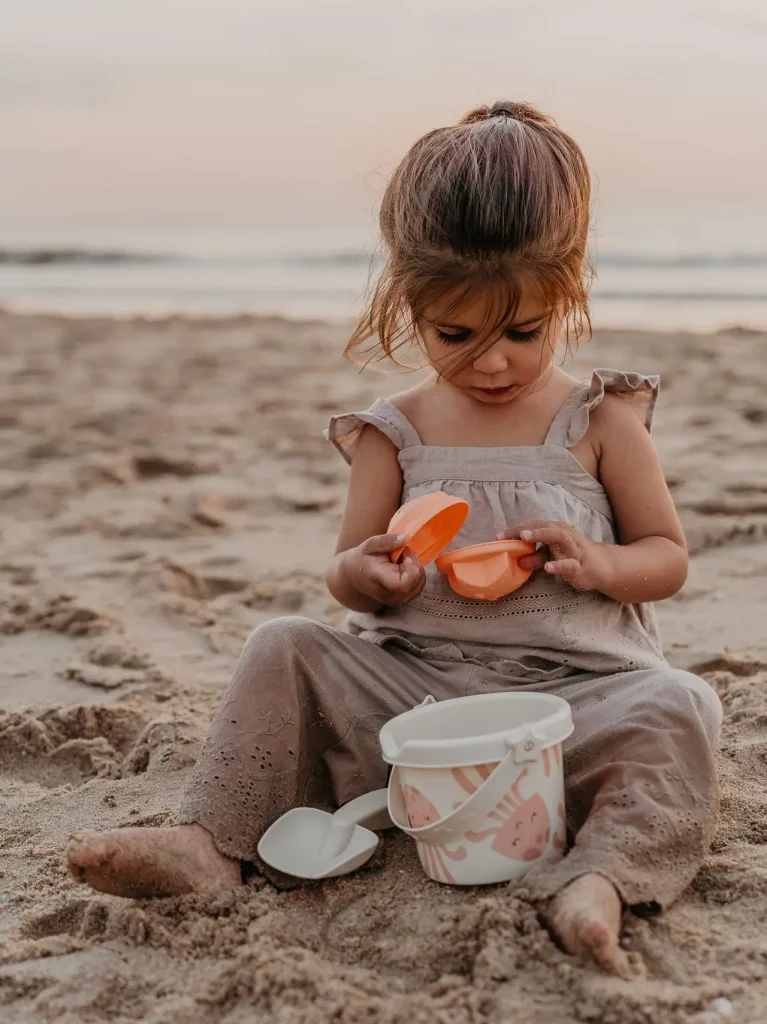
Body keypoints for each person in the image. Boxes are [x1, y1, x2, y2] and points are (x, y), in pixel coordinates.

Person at [66, 101, 722, 977]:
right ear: (405, 301)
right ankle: (211, 841)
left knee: (681, 704)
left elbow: (664, 559)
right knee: (283, 644)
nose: (492, 363)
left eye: (521, 333)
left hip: (576, 703)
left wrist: (599, 562)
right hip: (416, 708)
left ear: (568, 287)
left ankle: (600, 878)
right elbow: (346, 574)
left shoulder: (598, 419)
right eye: (456, 335)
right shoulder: (394, 431)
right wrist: (373, 575)